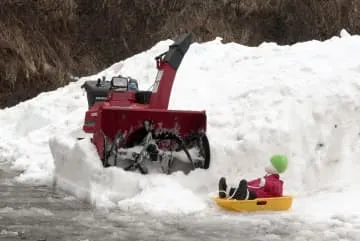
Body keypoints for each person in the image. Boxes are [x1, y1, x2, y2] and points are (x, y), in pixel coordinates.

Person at [218, 154, 288, 200]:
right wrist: (247, 184)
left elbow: (277, 189)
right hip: (253, 190)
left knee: (249, 193)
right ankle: (225, 190)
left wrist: (266, 183)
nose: (267, 164)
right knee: (242, 190)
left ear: (276, 168)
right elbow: (255, 182)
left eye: (270, 164)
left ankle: (242, 195)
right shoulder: (265, 177)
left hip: (259, 195)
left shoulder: (277, 182)